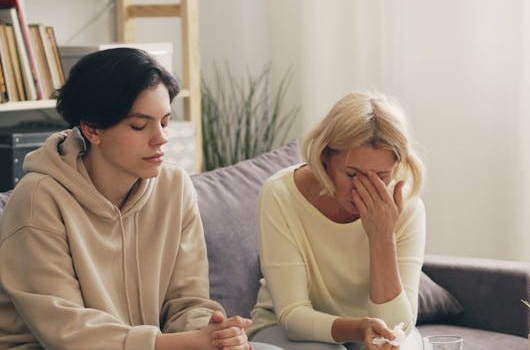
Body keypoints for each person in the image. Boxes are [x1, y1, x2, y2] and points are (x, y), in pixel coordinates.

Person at [0, 47, 281, 350]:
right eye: (139, 125)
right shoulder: (39, 199)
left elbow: (188, 302)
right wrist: (175, 343)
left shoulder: (174, 186)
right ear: (92, 129)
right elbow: (67, 332)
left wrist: (213, 335)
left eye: (164, 121)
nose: (161, 137)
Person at [247, 91, 426, 350]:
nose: (364, 189)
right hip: (287, 332)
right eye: (352, 174)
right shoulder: (280, 194)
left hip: (371, 335)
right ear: (325, 158)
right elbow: (292, 316)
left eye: (382, 176)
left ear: (397, 167)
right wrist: (359, 327)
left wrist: (382, 237)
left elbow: (396, 330)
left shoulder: (407, 206)